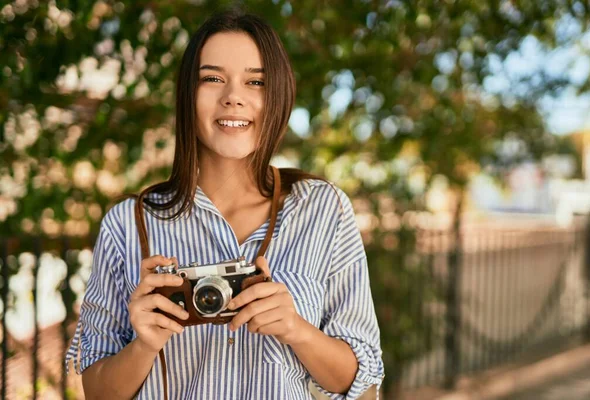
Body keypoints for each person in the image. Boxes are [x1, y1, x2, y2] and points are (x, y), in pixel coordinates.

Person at [65, 8, 384, 400]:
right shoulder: (129, 225)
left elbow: (361, 382)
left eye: (256, 82)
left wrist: (295, 328)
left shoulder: (323, 209)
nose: (233, 97)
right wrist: (143, 345)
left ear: (278, 96)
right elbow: (96, 392)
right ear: (188, 94)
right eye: (212, 79)